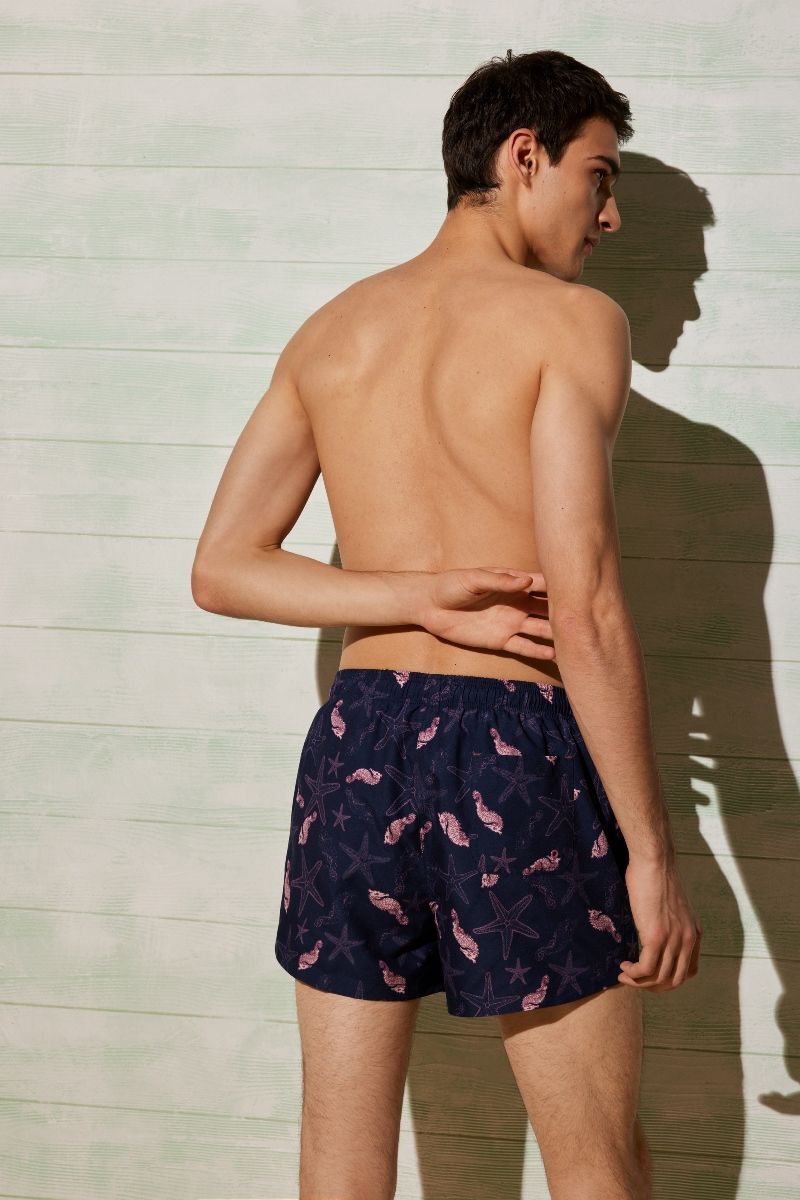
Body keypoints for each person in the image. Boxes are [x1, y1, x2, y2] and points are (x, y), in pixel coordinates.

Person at [191, 47, 702, 1200]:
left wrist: (402, 598)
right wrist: (652, 857)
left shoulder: (333, 329)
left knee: (340, 1166)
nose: (608, 218)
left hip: (353, 752)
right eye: (597, 177)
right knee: (598, 1166)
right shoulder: (573, 325)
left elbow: (222, 568)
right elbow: (584, 604)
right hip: (514, 752)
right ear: (523, 156)